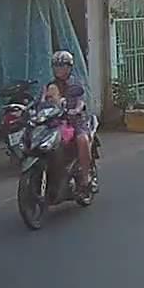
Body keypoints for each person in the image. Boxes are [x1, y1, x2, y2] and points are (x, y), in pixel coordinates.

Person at [45, 51, 96, 193]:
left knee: (82, 139)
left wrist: (76, 110)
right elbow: (42, 101)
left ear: (69, 67)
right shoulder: (51, 85)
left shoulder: (75, 83)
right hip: (56, 121)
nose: (59, 69)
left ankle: (85, 177)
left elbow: (81, 101)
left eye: (62, 66)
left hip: (76, 120)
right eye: (56, 66)